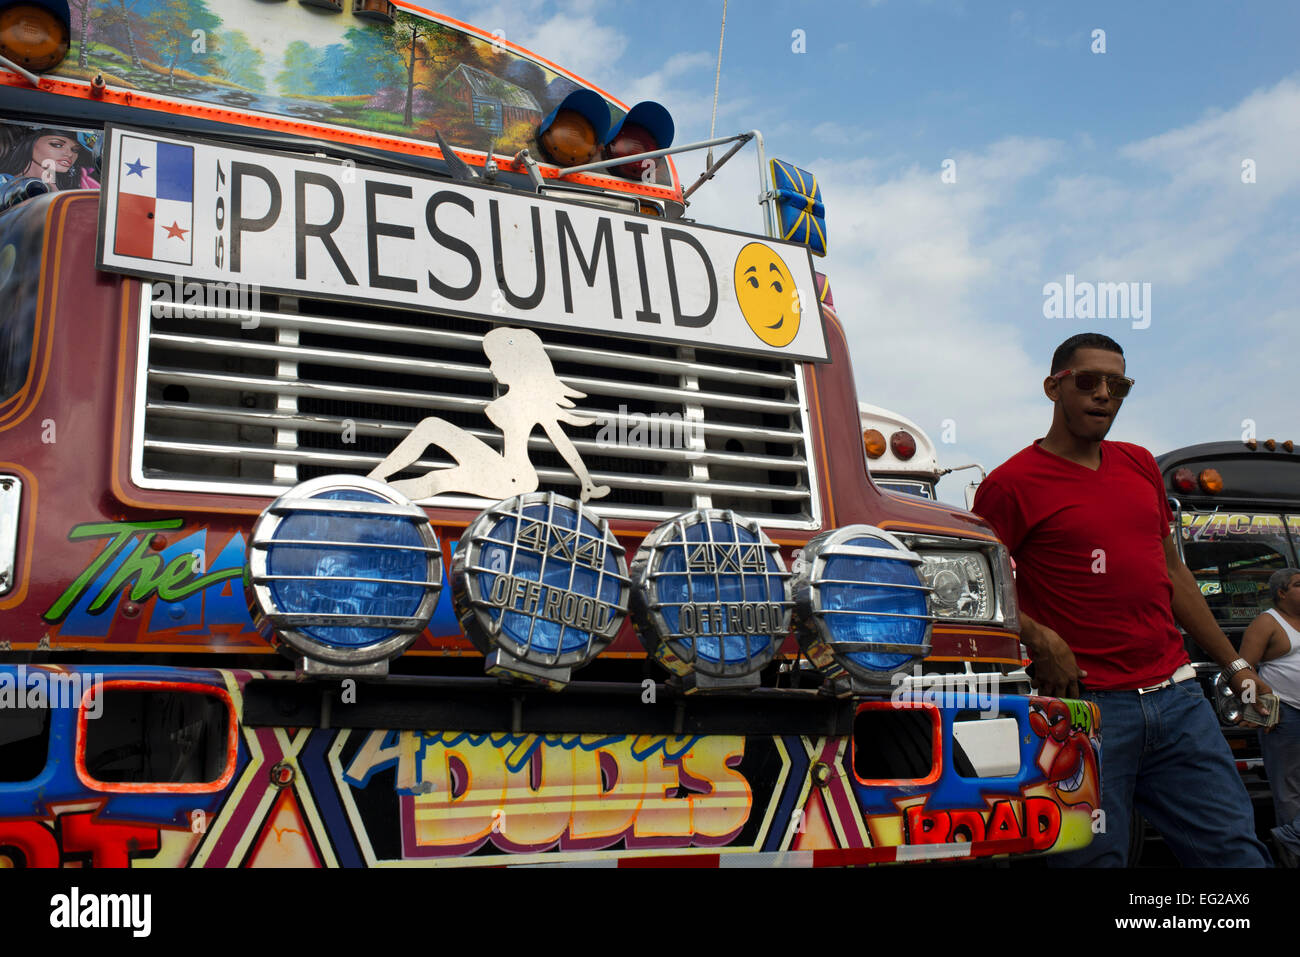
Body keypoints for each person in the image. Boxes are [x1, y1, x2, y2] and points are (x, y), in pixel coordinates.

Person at [972, 332, 1271, 866]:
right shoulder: (1009, 484)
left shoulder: (1138, 466)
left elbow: (1174, 574)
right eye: (1088, 380)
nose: (1104, 394)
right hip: (1084, 712)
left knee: (1235, 854)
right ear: (1053, 388)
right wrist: (1039, 637)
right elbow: (979, 587)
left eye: (1118, 384)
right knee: (1090, 859)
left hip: (1179, 699)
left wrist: (1236, 664)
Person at [368, 326, 610, 503]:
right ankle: (373, 487)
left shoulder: (533, 401)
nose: (492, 368)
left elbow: (560, 440)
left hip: (516, 479)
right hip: (502, 470)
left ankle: (371, 489)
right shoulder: (516, 400)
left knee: (437, 473)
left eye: (497, 361)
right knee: (433, 455)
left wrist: (586, 482)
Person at [1241, 567, 1300, 867]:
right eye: (1299, 585)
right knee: (1288, 788)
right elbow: (1244, 668)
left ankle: (1291, 836)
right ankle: (1293, 858)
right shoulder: (1267, 622)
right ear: (1282, 592)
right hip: (1285, 714)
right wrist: (1260, 711)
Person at [0, 126, 98, 191]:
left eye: (75, 150)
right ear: (30, 142)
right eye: (57, 145)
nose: (69, 154)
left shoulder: (80, 187)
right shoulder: (4, 183)